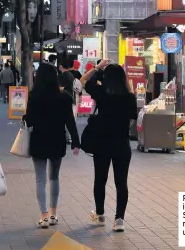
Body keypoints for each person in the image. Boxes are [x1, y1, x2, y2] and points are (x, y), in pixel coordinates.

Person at [81, 60, 137, 232]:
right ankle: (119, 219)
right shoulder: (129, 97)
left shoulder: (101, 93)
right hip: (121, 144)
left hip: (102, 143)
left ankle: (100, 214)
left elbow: (83, 81)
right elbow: (133, 118)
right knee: (121, 183)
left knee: (100, 179)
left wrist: (98, 69)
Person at [23, 63, 80, 228]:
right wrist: (76, 142)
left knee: (40, 178)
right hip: (57, 140)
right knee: (54, 177)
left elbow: (30, 120)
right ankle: (54, 213)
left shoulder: (34, 96)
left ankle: (44, 215)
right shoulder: (63, 97)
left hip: (38, 140)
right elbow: (70, 122)